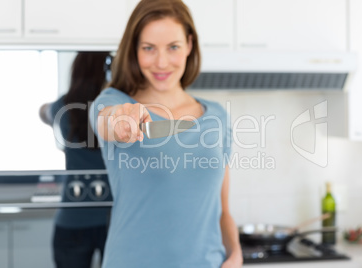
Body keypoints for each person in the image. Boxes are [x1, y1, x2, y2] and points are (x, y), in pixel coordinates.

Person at [89, 0, 243, 267]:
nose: (161, 62)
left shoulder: (216, 116)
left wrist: (236, 254)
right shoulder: (112, 102)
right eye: (149, 48)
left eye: (173, 47)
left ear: (189, 45)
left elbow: (222, 211)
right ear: (134, 50)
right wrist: (123, 121)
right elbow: (107, 121)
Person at [40, 52, 112, 268]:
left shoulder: (63, 107)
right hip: (113, 219)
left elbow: (43, 112)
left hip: (73, 219)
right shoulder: (114, 111)